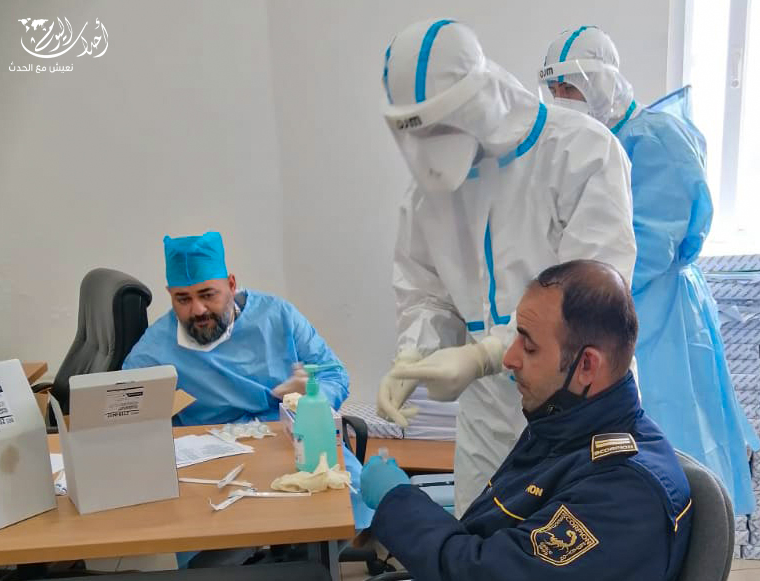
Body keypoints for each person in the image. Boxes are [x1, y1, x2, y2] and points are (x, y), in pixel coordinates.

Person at [376, 18, 637, 515]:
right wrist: (415, 355)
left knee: (578, 546)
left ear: (477, 96)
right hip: (489, 418)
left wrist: (485, 355)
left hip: (581, 407)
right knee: (477, 543)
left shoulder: (582, 153)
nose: (429, 146)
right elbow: (425, 292)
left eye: (437, 125)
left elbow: (593, 303)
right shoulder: (426, 197)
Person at [538, 25, 759, 514]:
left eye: (570, 87)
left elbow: (654, 242)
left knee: (671, 430)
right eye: (554, 89)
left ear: (603, 82)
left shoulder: (654, 139)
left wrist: (579, 288)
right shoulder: (592, 144)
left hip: (659, 313)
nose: (561, 99)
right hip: (615, 307)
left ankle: (685, 531)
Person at [362, 260, 692, 581]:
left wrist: (398, 500)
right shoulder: (562, 426)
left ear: (587, 366)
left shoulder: (625, 495)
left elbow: (480, 573)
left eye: (529, 347)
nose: (509, 358)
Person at [123, 231, 373, 566]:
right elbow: (126, 409)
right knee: (209, 533)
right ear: (170, 295)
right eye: (183, 299)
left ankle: (303, 565)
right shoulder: (154, 350)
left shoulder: (277, 316)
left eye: (207, 295)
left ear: (231, 284)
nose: (198, 309)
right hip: (212, 456)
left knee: (351, 492)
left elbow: (334, 373)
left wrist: (312, 395)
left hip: (289, 439)